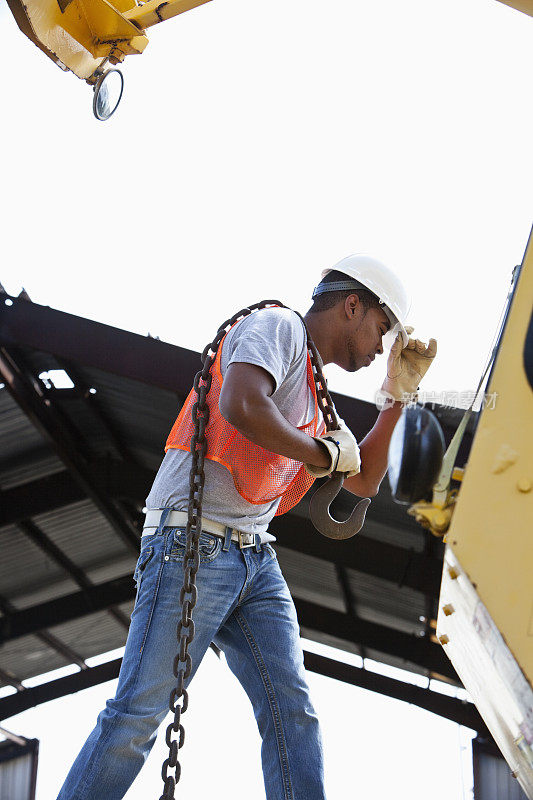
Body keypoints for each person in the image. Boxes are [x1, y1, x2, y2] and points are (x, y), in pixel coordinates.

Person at [56, 254, 437, 800]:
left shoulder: (315, 395)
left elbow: (358, 483)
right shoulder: (277, 326)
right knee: (138, 714)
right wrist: (322, 455)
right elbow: (240, 403)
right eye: (382, 329)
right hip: (191, 542)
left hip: (254, 556)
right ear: (352, 305)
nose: (382, 347)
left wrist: (398, 396)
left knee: (292, 711)